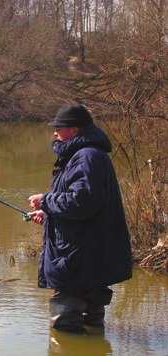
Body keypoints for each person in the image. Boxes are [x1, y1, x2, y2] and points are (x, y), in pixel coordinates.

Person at [28, 104, 132, 333]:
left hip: (77, 258)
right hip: (88, 254)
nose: (55, 132)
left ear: (74, 130)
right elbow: (89, 206)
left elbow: (84, 202)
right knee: (91, 319)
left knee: (65, 325)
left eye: (59, 128)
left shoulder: (85, 157)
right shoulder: (89, 154)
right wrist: (49, 215)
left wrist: (45, 200)